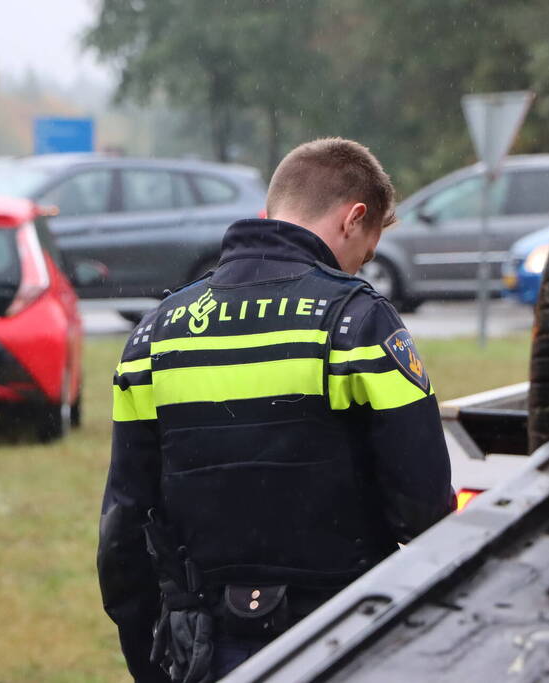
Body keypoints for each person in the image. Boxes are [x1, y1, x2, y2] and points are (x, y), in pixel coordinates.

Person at [98, 138, 454, 682]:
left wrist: (151, 657)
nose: (363, 264)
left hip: (201, 650)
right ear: (353, 218)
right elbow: (424, 508)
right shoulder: (357, 323)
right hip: (340, 639)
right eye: (369, 247)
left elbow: (124, 528)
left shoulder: (155, 335)